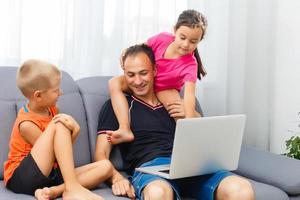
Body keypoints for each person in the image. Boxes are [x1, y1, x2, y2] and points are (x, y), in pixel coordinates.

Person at [95, 44, 254, 200]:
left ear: (155, 71)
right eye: (131, 75)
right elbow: (100, 154)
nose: (137, 81)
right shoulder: (117, 106)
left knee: (241, 189)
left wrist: (191, 114)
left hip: (192, 166)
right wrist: (117, 178)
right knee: (158, 193)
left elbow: (201, 134)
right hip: (151, 169)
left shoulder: (173, 99)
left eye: (143, 73)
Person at [3, 59, 113, 200]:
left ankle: (54, 191)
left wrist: (73, 131)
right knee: (59, 123)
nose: (60, 93)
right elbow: (55, 154)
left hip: (49, 175)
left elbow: (60, 150)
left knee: (106, 166)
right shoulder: (26, 124)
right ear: (38, 96)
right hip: (23, 178)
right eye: (55, 90)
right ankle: (72, 188)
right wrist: (76, 131)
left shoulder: (53, 110)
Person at [108, 9, 208, 144]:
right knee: (114, 83)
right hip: (146, 79)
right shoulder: (162, 39)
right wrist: (127, 51)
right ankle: (125, 129)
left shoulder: (190, 64)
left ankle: (192, 148)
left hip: (165, 89)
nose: (186, 44)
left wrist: (188, 115)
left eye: (193, 41)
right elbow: (141, 49)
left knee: (179, 113)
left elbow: (189, 95)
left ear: (199, 41)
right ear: (175, 30)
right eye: (182, 37)